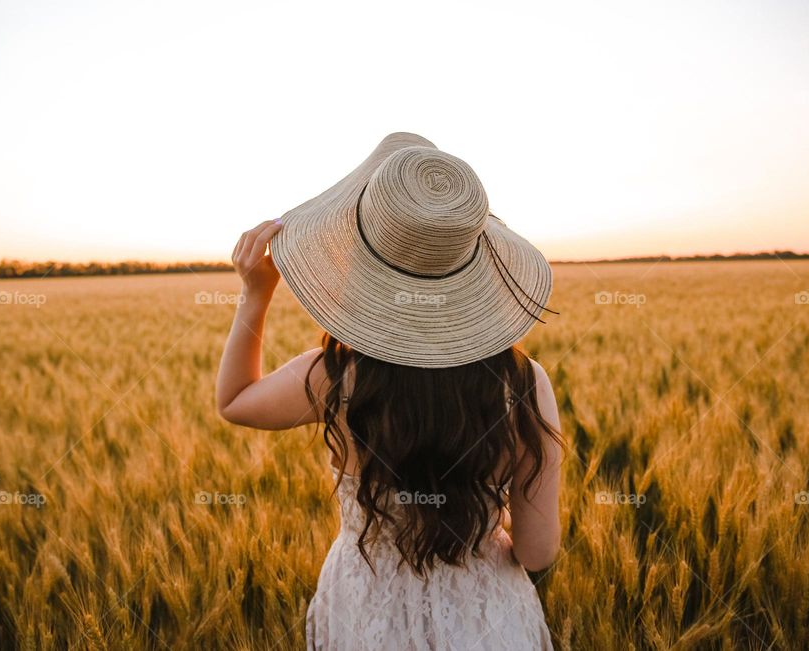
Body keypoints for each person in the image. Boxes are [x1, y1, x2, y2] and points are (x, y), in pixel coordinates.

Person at [217, 133, 563, 650]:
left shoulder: (334, 376)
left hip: (364, 612)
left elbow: (235, 401)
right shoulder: (525, 384)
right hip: (485, 620)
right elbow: (537, 554)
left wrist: (256, 294)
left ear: (362, 261)